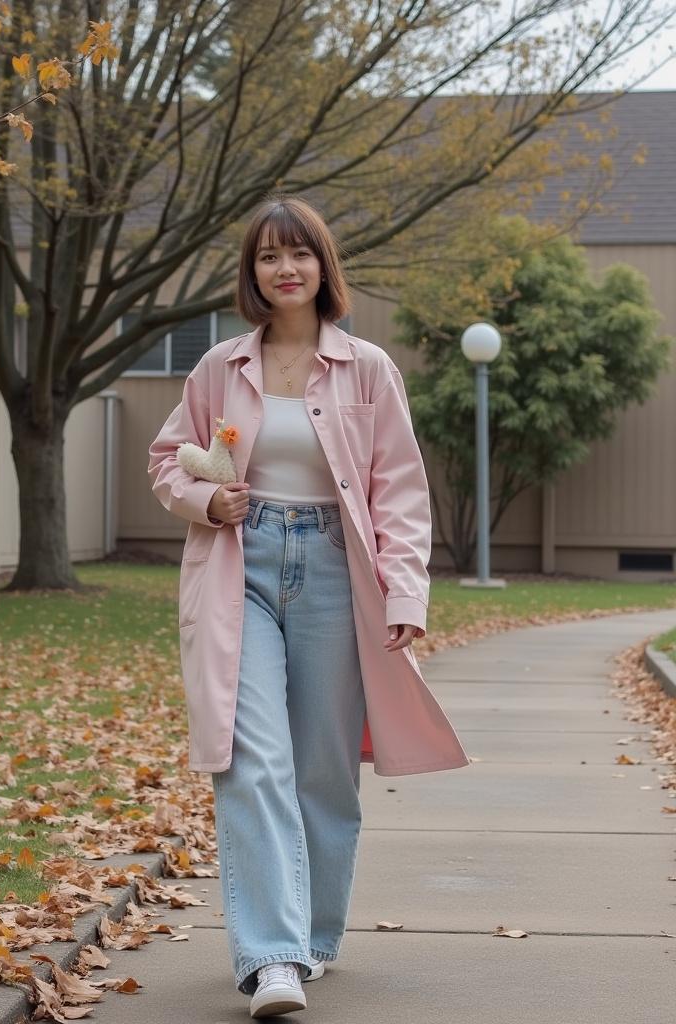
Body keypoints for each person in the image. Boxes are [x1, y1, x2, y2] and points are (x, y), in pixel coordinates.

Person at [148, 194, 470, 1018]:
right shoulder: (218, 368)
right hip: (239, 566)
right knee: (250, 757)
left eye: (299, 254)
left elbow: (399, 489)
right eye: (267, 256)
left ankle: (315, 936)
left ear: (323, 266)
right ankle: (271, 958)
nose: (284, 268)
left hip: (336, 569)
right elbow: (167, 463)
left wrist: (406, 591)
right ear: (251, 273)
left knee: (324, 770)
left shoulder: (368, 367)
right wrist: (204, 504)